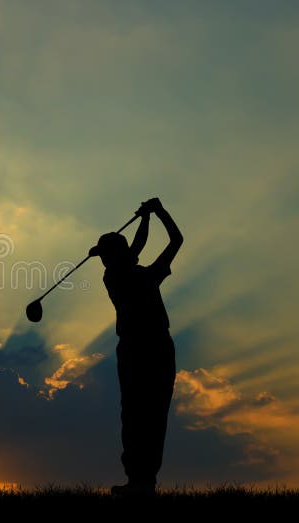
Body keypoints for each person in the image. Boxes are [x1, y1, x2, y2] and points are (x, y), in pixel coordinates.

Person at [88, 197, 183, 496]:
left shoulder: (137, 274)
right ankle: (139, 481)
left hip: (149, 347)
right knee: (137, 414)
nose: (105, 260)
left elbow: (166, 242)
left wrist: (152, 215)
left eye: (106, 254)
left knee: (150, 413)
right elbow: (154, 244)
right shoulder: (118, 275)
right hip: (141, 348)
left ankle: (143, 482)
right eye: (104, 256)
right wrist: (153, 214)